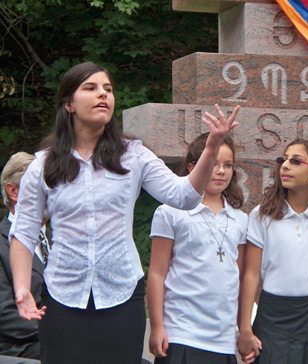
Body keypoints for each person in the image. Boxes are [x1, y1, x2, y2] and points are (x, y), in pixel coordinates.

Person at [8, 61, 240, 364]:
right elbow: (23, 233)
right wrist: (23, 289)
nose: (102, 94)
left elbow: (182, 196)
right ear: (68, 104)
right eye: (90, 88)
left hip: (121, 295)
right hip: (62, 298)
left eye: (108, 89)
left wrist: (211, 148)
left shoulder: (133, 154)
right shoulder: (43, 163)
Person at [237, 139, 308, 364]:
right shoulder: (263, 215)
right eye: (283, 160)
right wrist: (245, 328)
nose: (285, 166)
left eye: (296, 161)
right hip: (272, 315)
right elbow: (251, 274)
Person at [147, 132, 247, 364]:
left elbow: (239, 278)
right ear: (194, 167)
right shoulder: (171, 211)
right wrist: (157, 326)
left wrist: (244, 330)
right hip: (181, 333)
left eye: (228, 165)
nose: (221, 171)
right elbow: (157, 273)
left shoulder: (241, 220)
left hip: (223, 338)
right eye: (214, 164)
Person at [0, 152, 49, 361]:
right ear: (13, 191)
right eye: (42, 187)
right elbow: (4, 315)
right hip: (22, 347)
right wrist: (60, 331)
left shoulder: (64, 237)